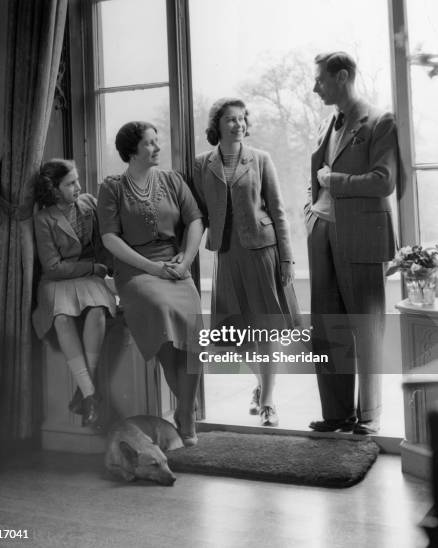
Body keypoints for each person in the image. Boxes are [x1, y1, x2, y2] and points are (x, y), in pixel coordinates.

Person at [305, 51, 399, 435]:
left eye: (321, 80)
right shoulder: (329, 123)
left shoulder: (380, 121)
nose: (315, 87)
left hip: (362, 236)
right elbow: (318, 172)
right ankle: (336, 414)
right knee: (327, 328)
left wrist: (334, 183)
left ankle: (370, 416)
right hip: (323, 232)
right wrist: (311, 210)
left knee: (364, 328)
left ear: (342, 77)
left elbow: (384, 181)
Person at [193, 97, 300, 427]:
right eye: (231, 119)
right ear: (217, 125)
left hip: (262, 253)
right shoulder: (201, 164)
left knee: (267, 330)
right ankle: (262, 384)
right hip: (226, 255)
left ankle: (267, 400)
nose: (239, 124)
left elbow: (278, 212)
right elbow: (197, 211)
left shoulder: (260, 159)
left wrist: (287, 258)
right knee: (231, 337)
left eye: (242, 119)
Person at [97, 121, 204, 446]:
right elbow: (110, 238)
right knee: (160, 313)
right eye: (150, 143)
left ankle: (184, 412)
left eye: (157, 141)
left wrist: (185, 261)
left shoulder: (172, 180)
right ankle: (187, 413)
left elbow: (196, 220)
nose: (158, 147)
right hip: (135, 270)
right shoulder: (112, 187)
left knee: (193, 332)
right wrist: (152, 269)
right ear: (132, 150)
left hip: (174, 265)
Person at [32, 159, 116, 427]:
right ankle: (91, 393)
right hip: (58, 280)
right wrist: (91, 266)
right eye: (70, 183)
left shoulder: (89, 204)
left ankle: (85, 393)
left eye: (77, 180)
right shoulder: (43, 219)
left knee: (98, 312)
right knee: (61, 319)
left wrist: (106, 268)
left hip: (90, 278)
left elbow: (105, 242)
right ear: (54, 190)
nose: (78, 187)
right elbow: (53, 267)